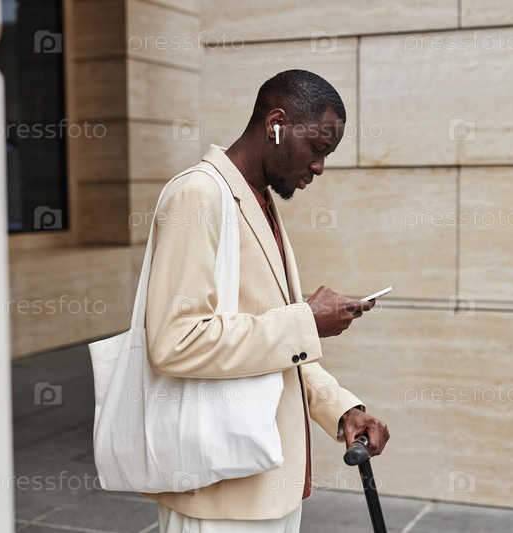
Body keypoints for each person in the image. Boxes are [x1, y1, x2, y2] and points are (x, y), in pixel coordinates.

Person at [144, 69, 390, 532]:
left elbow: (276, 347)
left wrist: (340, 409)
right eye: (317, 149)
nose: (320, 167)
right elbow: (175, 341)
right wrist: (306, 321)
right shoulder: (198, 195)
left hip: (265, 486)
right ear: (276, 124)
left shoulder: (258, 201)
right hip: (219, 495)